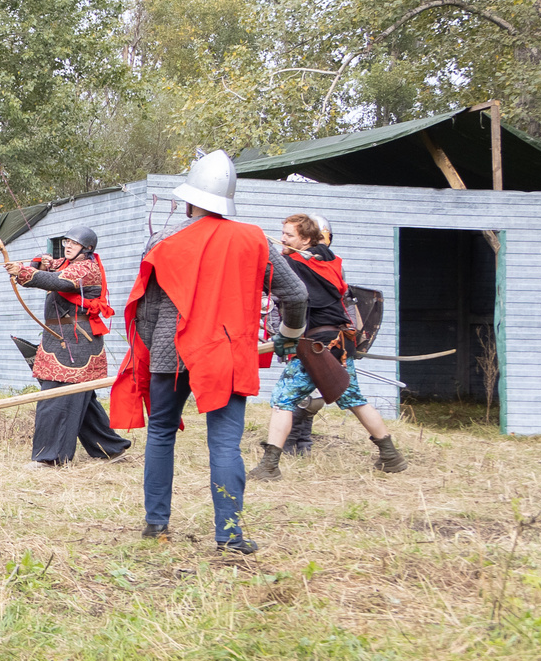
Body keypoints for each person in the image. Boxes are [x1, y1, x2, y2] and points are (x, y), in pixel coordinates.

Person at [109, 151, 307, 555]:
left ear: (189, 199)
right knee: (224, 444)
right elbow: (296, 294)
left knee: (162, 432)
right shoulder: (255, 239)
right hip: (224, 352)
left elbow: (145, 311)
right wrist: (289, 333)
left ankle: (156, 526)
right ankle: (230, 536)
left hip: (170, 351)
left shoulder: (163, 241)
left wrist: (157, 346)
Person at [249, 212, 406, 480]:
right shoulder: (330, 260)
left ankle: (269, 466)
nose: (283, 239)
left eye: (289, 236)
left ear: (307, 239)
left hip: (316, 345)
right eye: (283, 233)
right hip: (340, 342)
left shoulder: (294, 265)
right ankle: (390, 456)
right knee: (354, 398)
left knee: (283, 400)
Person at [8, 224, 127, 467]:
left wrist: (23, 272)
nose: (68, 246)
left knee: (56, 396)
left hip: (76, 343)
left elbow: (57, 281)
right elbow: (48, 266)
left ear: (87, 249)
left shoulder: (86, 268)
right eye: (66, 242)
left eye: (74, 243)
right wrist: (36, 263)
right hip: (66, 341)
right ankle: (110, 449)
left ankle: (50, 457)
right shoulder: (69, 264)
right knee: (80, 399)